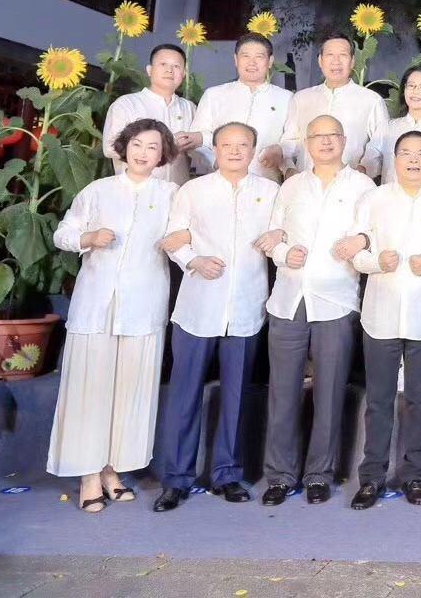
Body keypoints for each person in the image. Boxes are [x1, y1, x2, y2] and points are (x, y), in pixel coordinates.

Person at [46, 118, 178, 513]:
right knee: (91, 390)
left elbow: (186, 234)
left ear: (163, 155)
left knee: (130, 390)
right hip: (96, 305)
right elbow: (62, 234)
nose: (143, 153)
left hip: (143, 305)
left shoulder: (172, 194)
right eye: (137, 144)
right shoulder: (97, 191)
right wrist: (88, 238)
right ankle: (88, 475)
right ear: (123, 147)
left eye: (153, 147)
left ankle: (112, 471)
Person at [153, 122, 277, 512]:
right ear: (216, 149)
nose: (235, 151)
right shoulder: (193, 191)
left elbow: (284, 231)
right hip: (198, 306)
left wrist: (280, 236)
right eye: (227, 144)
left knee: (237, 395)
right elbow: (173, 237)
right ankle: (177, 479)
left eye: (243, 144)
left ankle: (228, 474)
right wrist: (194, 260)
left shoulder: (271, 192)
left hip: (245, 307)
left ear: (253, 149)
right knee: (185, 395)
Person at [256, 114, 376, 506]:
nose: (325, 142)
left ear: (344, 140)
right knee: (283, 391)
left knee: (329, 391)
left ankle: (319, 475)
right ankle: (279, 476)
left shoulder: (363, 186)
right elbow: (272, 236)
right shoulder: (291, 186)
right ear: (307, 143)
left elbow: (375, 232)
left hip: (336, 299)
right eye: (317, 136)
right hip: (289, 299)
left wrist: (362, 239)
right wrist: (282, 253)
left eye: (332, 135)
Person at [345, 129, 421, 509]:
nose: (414, 159)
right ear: (394, 159)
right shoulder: (375, 198)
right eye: (406, 153)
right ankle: (372, 477)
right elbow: (355, 249)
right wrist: (374, 262)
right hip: (380, 313)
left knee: (420, 398)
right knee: (378, 400)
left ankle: (415, 476)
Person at [279, 34, 389, 178]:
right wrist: (289, 169)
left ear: (352, 61)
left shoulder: (371, 100)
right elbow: (289, 141)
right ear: (320, 61)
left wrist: (363, 169)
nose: (336, 61)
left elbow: (381, 145)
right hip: (305, 183)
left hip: (350, 184)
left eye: (343, 55)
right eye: (330, 55)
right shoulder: (301, 98)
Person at [190, 32, 292, 181]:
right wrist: (214, 161)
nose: (252, 63)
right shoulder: (214, 95)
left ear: (270, 61)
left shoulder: (286, 98)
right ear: (236, 60)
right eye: (245, 56)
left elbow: (293, 138)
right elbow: (196, 139)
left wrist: (281, 150)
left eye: (259, 57)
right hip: (218, 180)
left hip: (266, 182)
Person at [102, 44, 198, 185]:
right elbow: (110, 148)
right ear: (149, 70)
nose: (169, 70)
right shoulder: (126, 104)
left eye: (176, 66)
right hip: (135, 190)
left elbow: (201, 152)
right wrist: (167, 146)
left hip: (177, 191)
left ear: (183, 74)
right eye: (163, 64)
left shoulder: (190, 108)